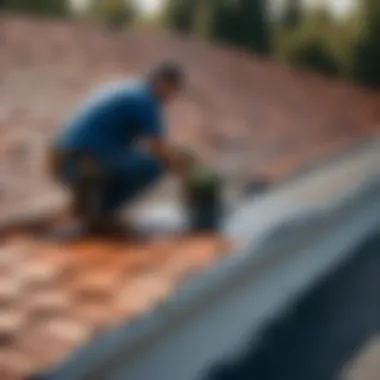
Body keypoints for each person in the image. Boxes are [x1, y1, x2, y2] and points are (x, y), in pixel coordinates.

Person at [49, 61, 192, 234]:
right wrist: (187, 176)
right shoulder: (146, 101)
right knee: (154, 165)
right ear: (163, 83)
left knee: (135, 158)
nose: (172, 98)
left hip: (61, 156)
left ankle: (89, 209)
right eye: (173, 91)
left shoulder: (131, 89)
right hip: (79, 162)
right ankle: (102, 213)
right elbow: (159, 150)